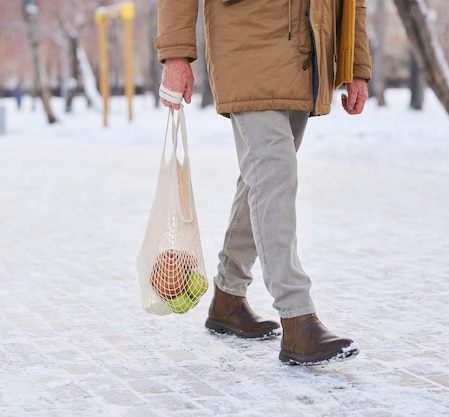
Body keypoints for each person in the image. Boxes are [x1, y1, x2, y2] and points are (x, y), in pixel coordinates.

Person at [154, 0, 371, 365]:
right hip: (247, 44)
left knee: (264, 178)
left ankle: (228, 297)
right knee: (274, 178)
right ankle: (298, 318)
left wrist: (356, 65)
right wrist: (176, 55)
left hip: (308, 49)